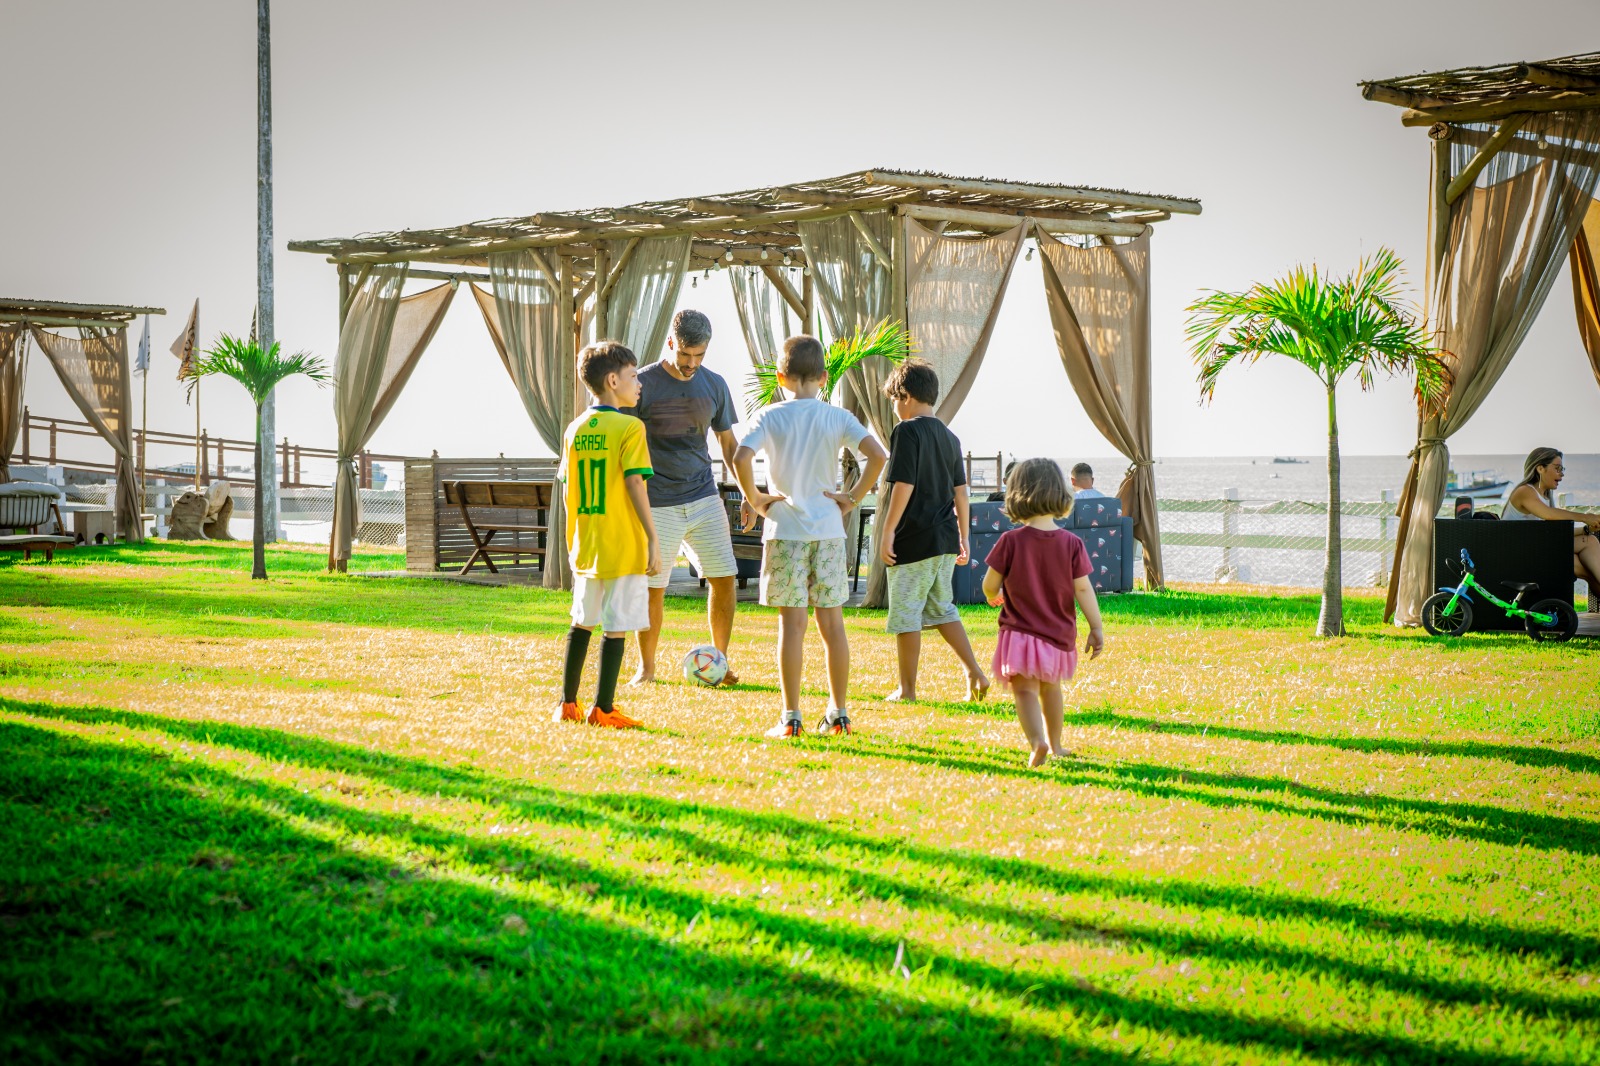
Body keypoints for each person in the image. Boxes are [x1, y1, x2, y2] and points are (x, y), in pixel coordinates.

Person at [733, 335, 888, 738]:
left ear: (780, 376)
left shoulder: (769, 417)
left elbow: (740, 457)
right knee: (833, 626)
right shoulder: (836, 417)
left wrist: (757, 499)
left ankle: (791, 718)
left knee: (792, 628)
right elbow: (878, 456)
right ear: (823, 377)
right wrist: (851, 498)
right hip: (828, 530)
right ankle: (838, 714)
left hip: (784, 530)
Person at [621, 310, 745, 684]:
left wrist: (747, 494)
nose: (692, 363)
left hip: (704, 496)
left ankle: (719, 663)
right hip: (657, 500)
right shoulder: (641, 384)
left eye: (700, 355)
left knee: (724, 577)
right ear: (671, 342)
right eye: (686, 354)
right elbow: (623, 443)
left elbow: (728, 443)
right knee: (654, 586)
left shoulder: (715, 384)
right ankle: (647, 668)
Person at [553, 341, 662, 729]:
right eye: (634, 377)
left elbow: (567, 491)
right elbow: (636, 484)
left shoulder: (575, 428)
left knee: (581, 621)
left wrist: (573, 538)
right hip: (622, 542)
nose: (639, 385)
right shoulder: (631, 427)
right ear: (613, 380)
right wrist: (652, 537)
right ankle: (604, 708)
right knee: (615, 626)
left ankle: (567, 704)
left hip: (587, 543)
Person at [877, 359, 990, 703]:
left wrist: (888, 531)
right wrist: (965, 537)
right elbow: (961, 492)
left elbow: (904, 485)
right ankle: (975, 672)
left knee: (907, 612)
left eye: (894, 401)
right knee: (942, 608)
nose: (895, 409)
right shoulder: (950, 436)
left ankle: (907, 690)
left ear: (905, 396)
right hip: (944, 540)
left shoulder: (907, 431)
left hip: (914, 539)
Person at [981, 458, 1105, 767]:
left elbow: (989, 584)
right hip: (1056, 634)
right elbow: (1084, 590)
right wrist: (1096, 626)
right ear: (1060, 494)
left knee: (1023, 690)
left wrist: (992, 595)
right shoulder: (1072, 543)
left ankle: (1037, 742)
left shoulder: (1009, 541)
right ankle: (1057, 744)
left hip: (1019, 634)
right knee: (1051, 689)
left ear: (1015, 495)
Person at [1502, 446, 1600, 612]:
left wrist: (1586, 529)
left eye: (1563, 469)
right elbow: (1549, 515)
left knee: (1589, 552)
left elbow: (1552, 532)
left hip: (1537, 550)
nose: (1561, 474)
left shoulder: (1545, 497)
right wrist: (1585, 517)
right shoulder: (1525, 491)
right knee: (1589, 555)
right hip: (1520, 556)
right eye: (1557, 468)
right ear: (1540, 468)